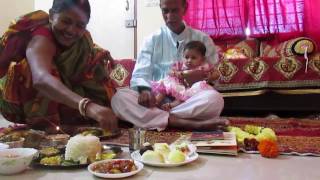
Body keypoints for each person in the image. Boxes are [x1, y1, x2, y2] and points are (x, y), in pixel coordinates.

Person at [0, 0, 118, 132]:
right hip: (20, 101)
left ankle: (70, 124)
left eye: (80, 25)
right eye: (66, 21)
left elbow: (88, 54)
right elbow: (41, 79)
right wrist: (88, 107)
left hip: (61, 96)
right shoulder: (41, 36)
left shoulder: (82, 39)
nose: (72, 30)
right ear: (51, 16)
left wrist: (99, 54)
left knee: (96, 70)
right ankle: (44, 127)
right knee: (33, 70)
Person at [111, 0, 227, 131]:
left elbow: (213, 77)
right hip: (156, 101)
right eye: (165, 11)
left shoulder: (203, 39)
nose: (170, 17)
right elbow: (140, 75)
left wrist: (202, 78)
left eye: (175, 10)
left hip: (187, 100)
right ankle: (185, 122)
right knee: (119, 98)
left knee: (215, 100)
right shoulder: (151, 40)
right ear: (160, 8)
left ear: (185, 8)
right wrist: (145, 91)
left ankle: (154, 119)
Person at [152, 41, 220, 111]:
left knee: (186, 97)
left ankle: (170, 105)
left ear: (202, 59)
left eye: (193, 58)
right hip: (178, 85)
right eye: (186, 57)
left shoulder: (204, 66)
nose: (189, 60)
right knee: (166, 83)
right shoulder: (181, 65)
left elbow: (217, 73)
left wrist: (211, 77)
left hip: (191, 89)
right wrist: (175, 73)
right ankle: (157, 100)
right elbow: (169, 71)